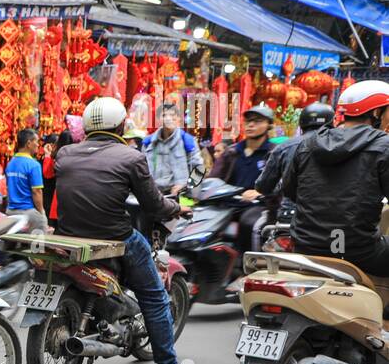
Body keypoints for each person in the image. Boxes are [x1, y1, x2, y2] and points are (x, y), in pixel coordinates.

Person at [54, 96, 196, 364]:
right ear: (120, 126)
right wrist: (178, 207)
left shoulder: (66, 153)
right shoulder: (131, 157)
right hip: (115, 238)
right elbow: (155, 206)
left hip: (68, 235)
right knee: (155, 297)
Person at [282, 81, 389, 276]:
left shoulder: (307, 144)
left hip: (305, 247)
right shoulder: (384, 146)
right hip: (356, 251)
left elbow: (290, 190)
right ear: (376, 113)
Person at [250, 102, 334, 219]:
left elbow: (263, 186)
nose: (251, 124)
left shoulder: (285, 147)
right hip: (333, 217)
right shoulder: (346, 146)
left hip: (292, 216)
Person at [213, 104, 276, 254]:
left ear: (269, 125)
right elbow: (214, 177)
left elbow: (280, 183)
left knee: (249, 223)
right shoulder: (232, 152)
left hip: (258, 206)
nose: (251, 124)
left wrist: (260, 192)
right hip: (228, 203)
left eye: (257, 121)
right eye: (248, 121)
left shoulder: (274, 153)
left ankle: (250, 265)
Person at [142, 100, 204, 196]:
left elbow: (199, 168)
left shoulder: (187, 141)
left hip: (181, 196)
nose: (168, 119)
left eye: (172, 115)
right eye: (164, 115)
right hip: (155, 197)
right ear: (158, 119)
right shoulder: (148, 143)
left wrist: (186, 187)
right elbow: (141, 171)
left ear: (178, 118)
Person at [4, 127, 48, 231]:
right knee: (38, 245)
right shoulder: (33, 165)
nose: (38, 145)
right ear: (29, 143)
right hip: (29, 213)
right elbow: (37, 191)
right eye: (36, 141)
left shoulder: (11, 163)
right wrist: (41, 213)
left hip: (10, 212)